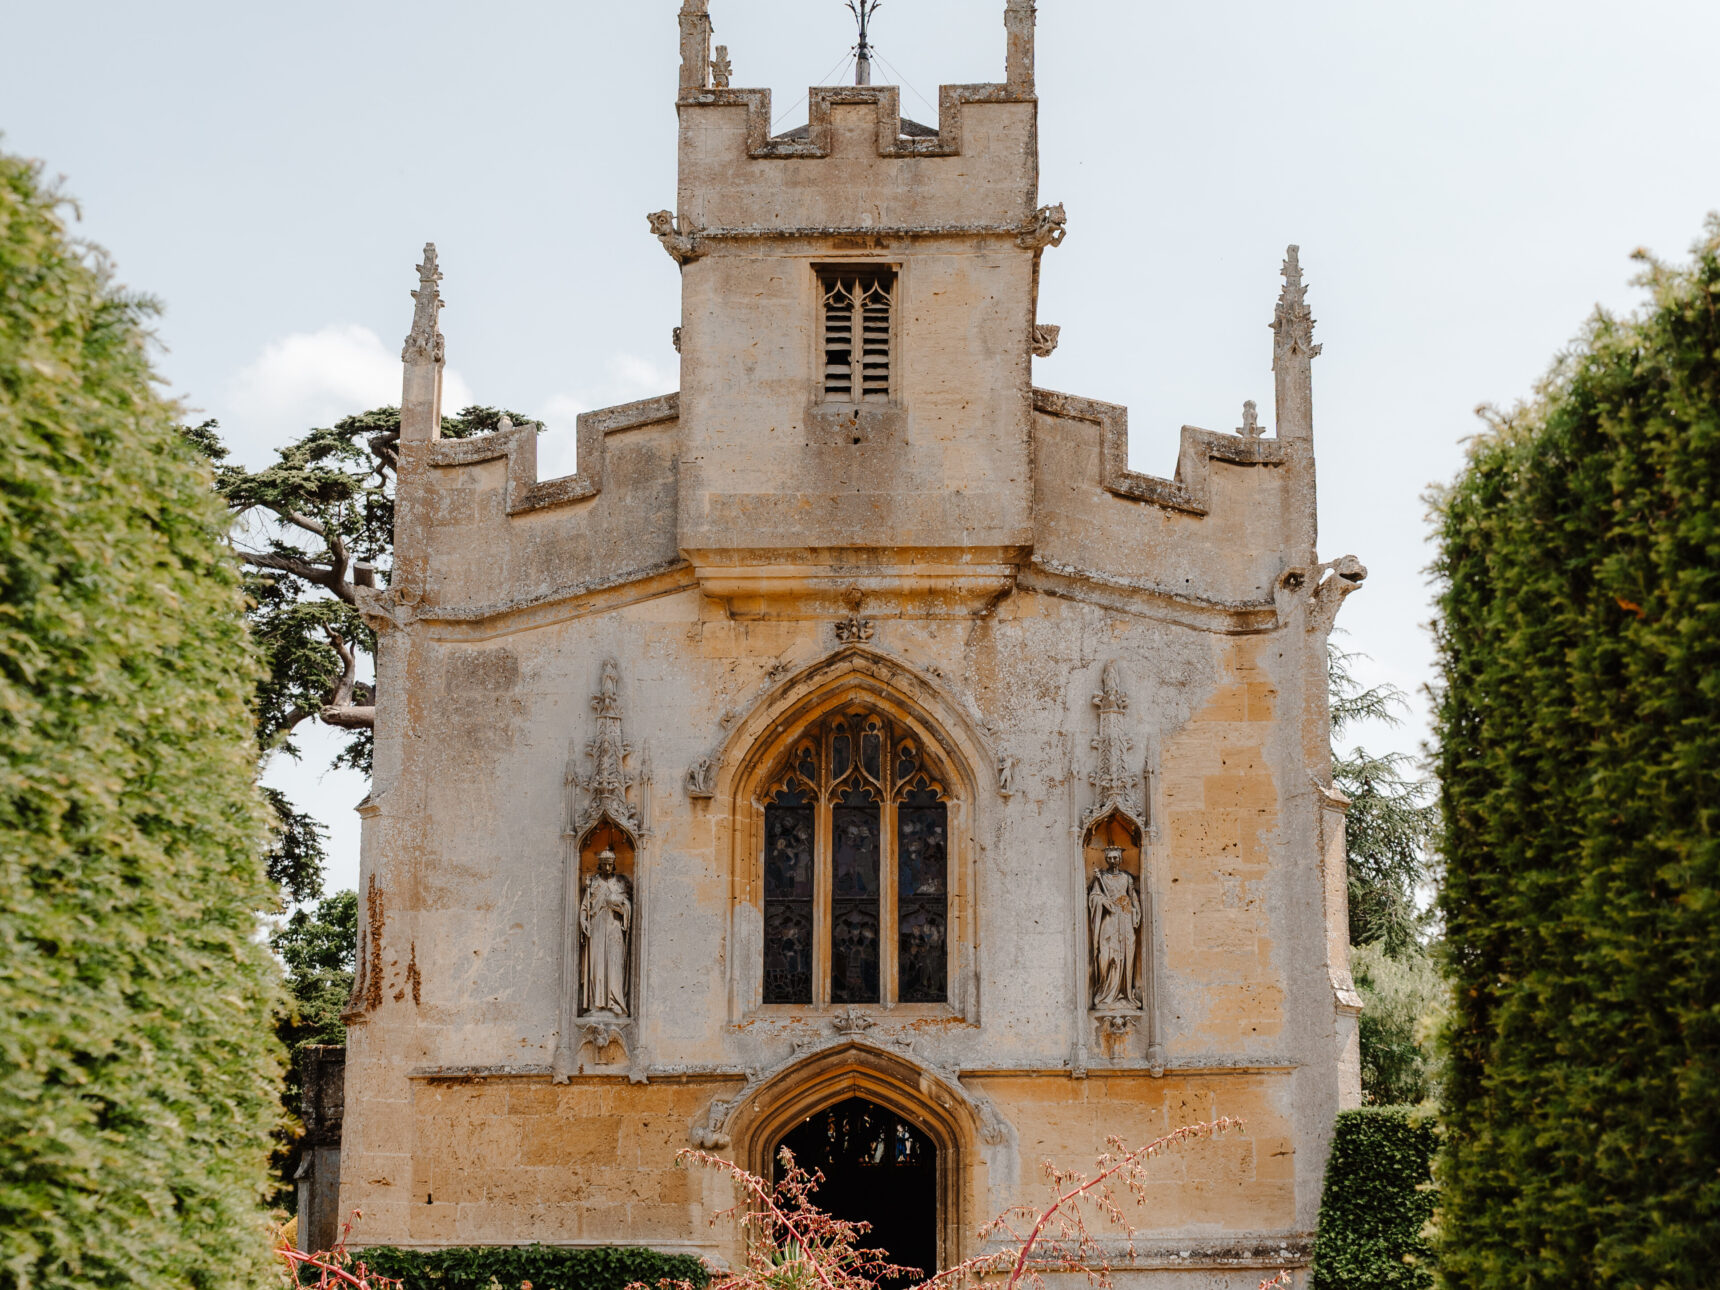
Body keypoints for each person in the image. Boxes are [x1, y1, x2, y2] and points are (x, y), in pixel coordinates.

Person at [1088, 844, 1142, 1008]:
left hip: (1125, 918)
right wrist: (1104, 901)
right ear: (1106, 859)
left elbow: (1133, 897)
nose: (1113, 861)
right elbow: (1094, 896)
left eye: (1115, 857)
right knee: (1106, 955)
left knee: (1125, 954)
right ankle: (1105, 992)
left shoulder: (1127, 878)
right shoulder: (1101, 878)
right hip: (1109, 919)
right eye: (1110, 858)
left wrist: (1137, 913)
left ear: (1120, 858)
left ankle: (1124, 993)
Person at [580, 848, 632, 1015]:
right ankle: (597, 1003)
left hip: (614, 927)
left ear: (614, 865)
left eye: (610, 864)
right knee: (597, 964)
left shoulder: (620, 884)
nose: (607, 868)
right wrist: (583, 920)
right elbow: (585, 906)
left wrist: (620, 906)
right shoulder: (593, 883)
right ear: (600, 865)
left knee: (614, 963)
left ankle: (614, 1001)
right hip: (597, 926)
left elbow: (628, 907)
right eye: (604, 864)